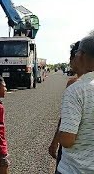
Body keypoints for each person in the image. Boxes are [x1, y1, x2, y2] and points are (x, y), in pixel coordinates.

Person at [57, 35, 94, 173]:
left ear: (82, 55)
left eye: (77, 52)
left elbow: (67, 140)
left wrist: (59, 135)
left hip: (74, 169)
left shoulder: (77, 90)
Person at [48, 41, 80, 172]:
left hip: (73, 156)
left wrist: (55, 142)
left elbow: (65, 119)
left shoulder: (74, 84)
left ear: (78, 58)